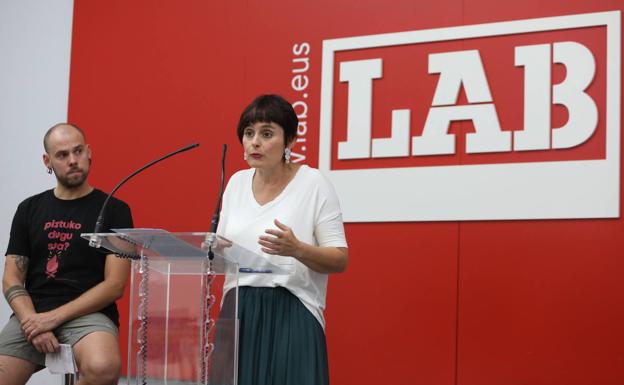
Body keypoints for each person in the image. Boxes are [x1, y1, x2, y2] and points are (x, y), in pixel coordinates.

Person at [216, 94, 349, 385]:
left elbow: (339, 259)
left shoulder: (313, 183)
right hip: (238, 310)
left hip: (292, 308)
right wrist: (213, 251)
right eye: (248, 133)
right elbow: (225, 248)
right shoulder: (236, 183)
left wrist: (297, 249)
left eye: (266, 134)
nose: (254, 142)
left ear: (289, 140)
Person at [0, 123, 133, 385]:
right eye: (62, 155)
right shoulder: (28, 209)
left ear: (89, 152)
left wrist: (52, 319)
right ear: (47, 161)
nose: (73, 161)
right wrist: (32, 322)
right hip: (33, 311)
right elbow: (12, 278)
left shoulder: (116, 209)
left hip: (89, 313)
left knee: (104, 368)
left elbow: (115, 285)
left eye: (78, 151)